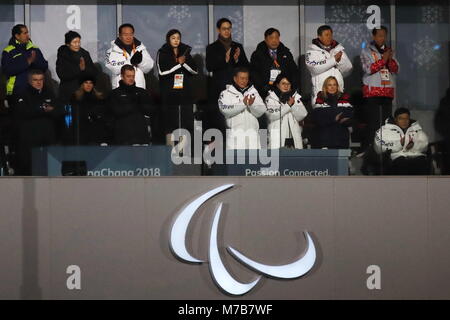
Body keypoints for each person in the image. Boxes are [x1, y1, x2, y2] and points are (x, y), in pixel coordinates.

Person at [206, 18, 249, 134]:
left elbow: (246, 66)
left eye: (229, 28)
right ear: (218, 30)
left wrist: (236, 60)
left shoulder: (237, 46)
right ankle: (221, 142)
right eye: (224, 29)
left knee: (236, 117)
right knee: (220, 118)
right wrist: (224, 60)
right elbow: (209, 66)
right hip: (219, 87)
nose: (227, 31)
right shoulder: (212, 47)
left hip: (236, 88)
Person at [14, 70, 61, 175]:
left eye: (41, 80)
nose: (39, 83)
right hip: (30, 141)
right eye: (35, 80)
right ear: (29, 81)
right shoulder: (22, 94)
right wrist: (41, 109)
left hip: (47, 139)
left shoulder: (49, 93)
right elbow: (23, 112)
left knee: (49, 171)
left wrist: (51, 110)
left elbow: (57, 110)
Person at [361, 26, 400, 152]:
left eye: (384, 35)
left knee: (386, 123)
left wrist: (389, 59)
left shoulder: (389, 51)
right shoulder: (366, 51)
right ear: (374, 36)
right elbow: (368, 69)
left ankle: (385, 149)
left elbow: (396, 69)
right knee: (373, 122)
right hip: (372, 92)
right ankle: (371, 149)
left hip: (387, 92)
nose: (382, 38)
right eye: (379, 35)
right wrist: (383, 59)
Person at [156, 29, 198, 146]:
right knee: (170, 122)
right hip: (169, 94)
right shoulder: (162, 52)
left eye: (178, 38)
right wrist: (178, 64)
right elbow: (162, 72)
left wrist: (183, 63)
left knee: (186, 122)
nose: (176, 40)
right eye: (173, 38)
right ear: (168, 39)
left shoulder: (185, 52)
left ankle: (184, 153)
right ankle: (170, 151)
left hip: (185, 94)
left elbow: (195, 70)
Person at [218, 67, 266, 149]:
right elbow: (224, 110)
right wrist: (243, 104)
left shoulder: (253, 92)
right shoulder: (226, 93)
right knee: (235, 161)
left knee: (254, 161)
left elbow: (262, 111)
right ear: (235, 78)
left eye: (246, 78)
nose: (244, 81)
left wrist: (252, 105)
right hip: (235, 136)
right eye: (242, 78)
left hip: (252, 136)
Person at [108, 65, 154, 145]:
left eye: (133, 76)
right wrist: (134, 105)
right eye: (128, 76)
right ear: (122, 76)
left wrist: (139, 103)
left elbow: (150, 111)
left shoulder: (141, 92)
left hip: (141, 137)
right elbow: (115, 111)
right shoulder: (114, 94)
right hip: (123, 138)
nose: (131, 78)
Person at [374, 108, 429, 175]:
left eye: (406, 118)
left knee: (422, 163)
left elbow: (425, 144)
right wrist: (400, 144)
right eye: (401, 118)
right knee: (401, 163)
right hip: (396, 159)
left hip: (416, 157)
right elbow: (379, 146)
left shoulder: (416, 129)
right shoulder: (384, 130)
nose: (404, 121)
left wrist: (413, 146)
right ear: (395, 119)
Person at [305, 25, 352, 101]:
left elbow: (348, 67)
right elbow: (314, 68)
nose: (329, 37)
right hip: (320, 92)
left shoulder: (337, 49)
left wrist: (338, 62)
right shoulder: (311, 52)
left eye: (331, 35)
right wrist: (334, 60)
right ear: (319, 36)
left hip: (338, 91)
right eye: (326, 35)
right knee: (322, 112)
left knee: (339, 112)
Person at [1, 24, 48, 98]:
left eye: (27, 33)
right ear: (17, 36)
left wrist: (34, 61)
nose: (27, 36)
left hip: (34, 91)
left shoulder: (35, 49)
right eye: (25, 33)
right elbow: (7, 70)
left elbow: (44, 67)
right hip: (16, 91)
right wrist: (27, 62)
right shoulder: (8, 51)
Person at [250, 28, 299, 99]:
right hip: (264, 91)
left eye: (276, 37)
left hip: (285, 90)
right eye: (271, 38)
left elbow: (294, 71)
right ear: (265, 39)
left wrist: (293, 86)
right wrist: (263, 87)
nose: (274, 40)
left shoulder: (286, 53)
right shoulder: (257, 54)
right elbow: (254, 73)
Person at [64, 73, 109, 146]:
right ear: (82, 84)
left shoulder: (99, 98)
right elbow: (71, 118)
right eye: (86, 82)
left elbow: (103, 118)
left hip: (96, 135)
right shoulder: (75, 98)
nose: (88, 85)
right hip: (80, 135)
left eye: (91, 83)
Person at [105, 23, 154, 89]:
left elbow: (149, 67)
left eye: (131, 34)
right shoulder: (111, 51)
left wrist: (141, 61)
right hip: (120, 89)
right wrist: (131, 62)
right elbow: (114, 68)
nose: (128, 37)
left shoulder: (140, 48)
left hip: (138, 88)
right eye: (125, 34)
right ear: (119, 35)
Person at [265, 73, 307, 149]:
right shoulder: (270, 98)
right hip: (277, 139)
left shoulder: (295, 97)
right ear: (277, 85)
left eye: (288, 84)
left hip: (294, 139)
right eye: (283, 83)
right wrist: (288, 106)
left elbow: (303, 115)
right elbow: (272, 115)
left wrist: (292, 104)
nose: (286, 86)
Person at [56, 31, 97, 105]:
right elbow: (62, 74)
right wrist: (79, 69)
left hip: (83, 92)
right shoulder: (63, 55)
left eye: (79, 42)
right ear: (68, 44)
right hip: (68, 92)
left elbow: (93, 72)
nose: (77, 44)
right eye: (74, 42)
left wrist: (85, 69)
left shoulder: (85, 54)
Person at [312, 76, 353, 149]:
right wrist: (335, 118)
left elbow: (349, 115)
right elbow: (318, 119)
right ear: (325, 87)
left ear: (337, 86)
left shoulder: (345, 99)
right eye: (330, 85)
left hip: (342, 139)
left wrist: (332, 116)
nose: (332, 87)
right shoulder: (320, 100)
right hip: (325, 139)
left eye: (334, 85)